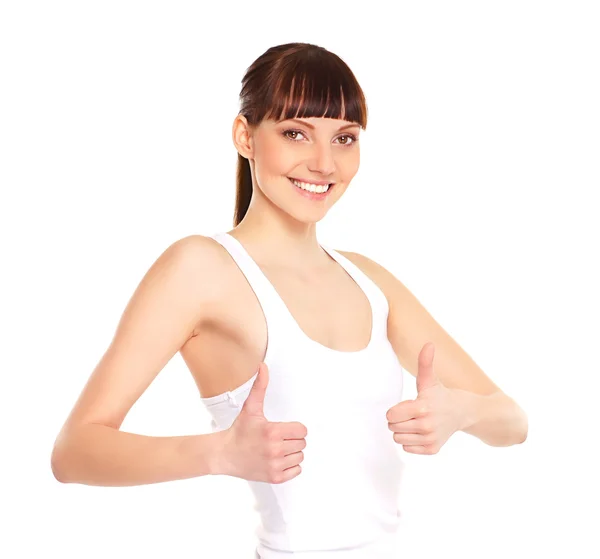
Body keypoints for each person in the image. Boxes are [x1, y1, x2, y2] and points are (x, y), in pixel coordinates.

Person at [51, 42, 528, 558]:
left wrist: (462, 413)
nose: (324, 163)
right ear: (245, 136)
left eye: (344, 138)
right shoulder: (200, 269)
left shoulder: (370, 280)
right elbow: (74, 452)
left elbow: (512, 421)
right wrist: (218, 453)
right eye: (295, 133)